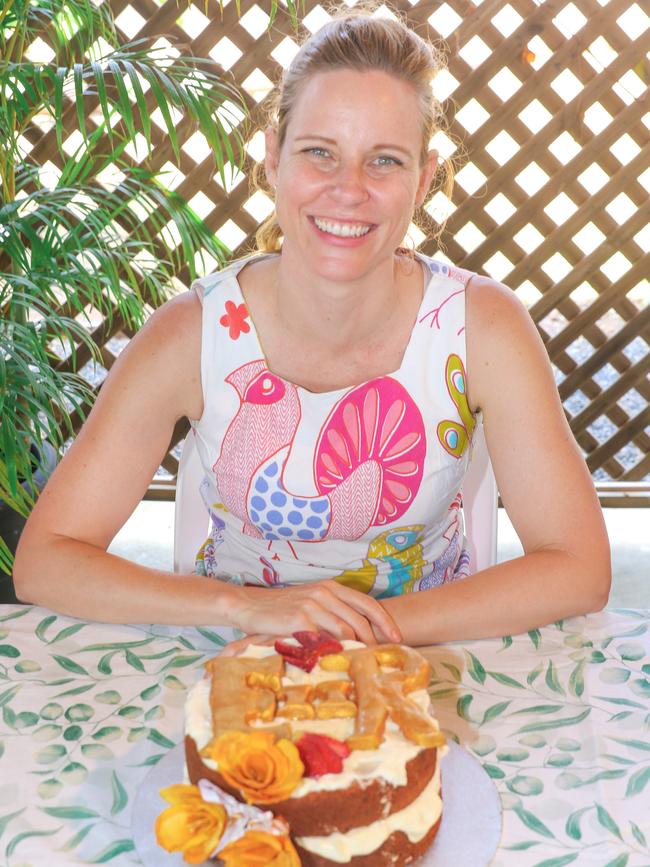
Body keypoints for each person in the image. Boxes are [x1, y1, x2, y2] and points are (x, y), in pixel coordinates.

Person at [13, 7, 610, 647]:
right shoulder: (192, 333)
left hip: (429, 660)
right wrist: (244, 608)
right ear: (273, 159)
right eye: (319, 152)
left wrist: (353, 631)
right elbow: (46, 560)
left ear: (424, 179)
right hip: (235, 654)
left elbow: (580, 568)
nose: (347, 189)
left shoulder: (483, 326)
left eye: (383, 161)